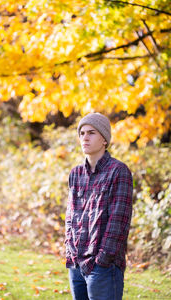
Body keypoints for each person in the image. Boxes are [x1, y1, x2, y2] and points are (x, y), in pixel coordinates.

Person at [65, 112, 133, 300]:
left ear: (104, 139)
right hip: (76, 265)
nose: (85, 137)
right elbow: (70, 216)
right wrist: (70, 251)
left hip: (102, 267)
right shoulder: (76, 173)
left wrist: (102, 260)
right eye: (82, 133)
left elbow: (119, 221)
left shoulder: (119, 171)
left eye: (91, 133)